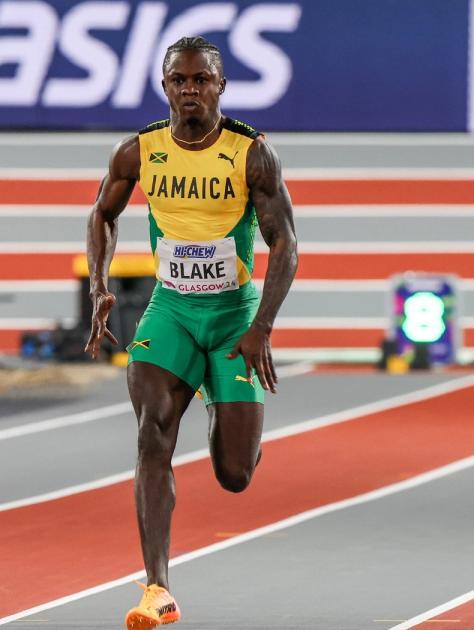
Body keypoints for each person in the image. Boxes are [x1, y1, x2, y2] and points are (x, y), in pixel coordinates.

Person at [83, 36, 298, 629]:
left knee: (235, 474)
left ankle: (219, 397)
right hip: (170, 312)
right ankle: (157, 588)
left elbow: (286, 241)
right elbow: (103, 213)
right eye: (179, 80)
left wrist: (260, 327)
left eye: (201, 79)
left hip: (233, 316)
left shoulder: (252, 154)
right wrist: (101, 284)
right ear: (165, 86)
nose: (190, 89)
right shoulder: (139, 151)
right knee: (153, 435)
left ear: (220, 87)